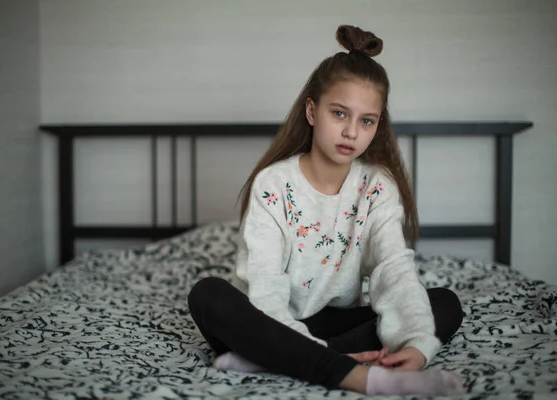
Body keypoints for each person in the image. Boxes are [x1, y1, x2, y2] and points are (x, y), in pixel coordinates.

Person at [188, 25, 465, 396]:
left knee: (443, 304)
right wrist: (287, 339)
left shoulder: (378, 186)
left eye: (366, 120)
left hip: (334, 326)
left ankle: (272, 361)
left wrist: (416, 343)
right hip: (268, 320)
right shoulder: (274, 185)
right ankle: (359, 375)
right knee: (208, 295)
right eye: (339, 114)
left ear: (377, 125)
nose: (351, 132)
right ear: (312, 111)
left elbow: (393, 267)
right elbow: (266, 285)